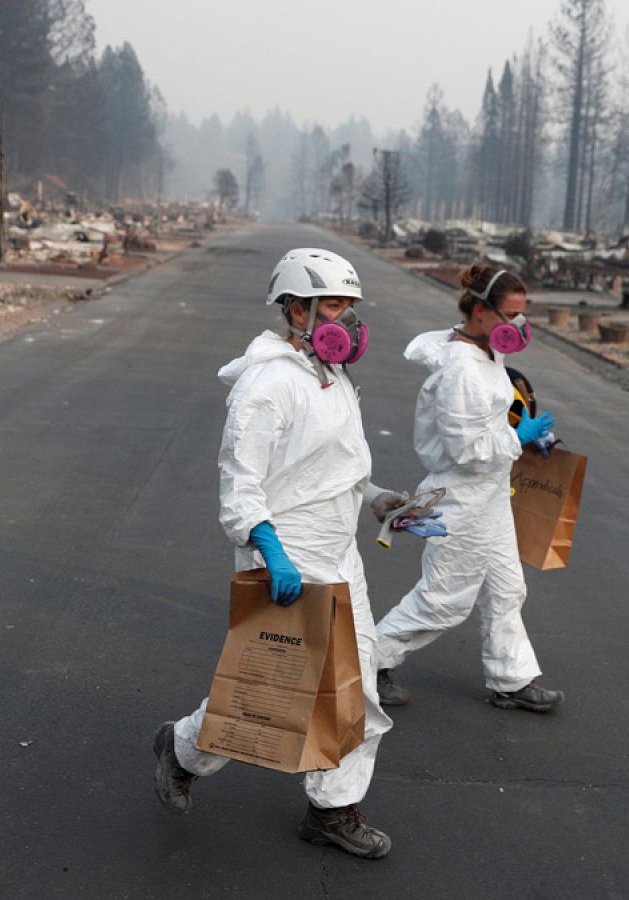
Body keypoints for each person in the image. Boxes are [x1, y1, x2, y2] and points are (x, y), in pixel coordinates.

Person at [152, 248, 409, 860]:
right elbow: (240, 479)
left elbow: (326, 468)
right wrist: (267, 549)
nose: (348, 322)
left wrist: (378, 500)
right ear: (297, 309)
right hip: (287, 557)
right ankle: (183, 749)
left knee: (357, 686)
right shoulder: (267, 385)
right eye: (335, 307)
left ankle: (333, 808)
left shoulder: (333, 376)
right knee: (268, 695)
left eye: (352, 308)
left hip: (339, 555)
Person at [372, 264, 565, 713]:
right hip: (460, 497)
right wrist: (516, 438)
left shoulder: (484, 351)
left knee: (506, 588)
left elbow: (487, 424)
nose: (519, 326)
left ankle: (511, 679)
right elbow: (466, 451)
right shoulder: (461, 368)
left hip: (490, 495)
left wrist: (523, 431)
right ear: (480, 311)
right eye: (511, 315)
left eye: (523, 315)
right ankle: (367, 662)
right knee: (443, 601)